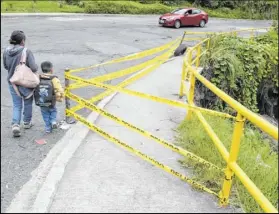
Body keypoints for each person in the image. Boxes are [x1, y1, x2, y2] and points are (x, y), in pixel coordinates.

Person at [3, 30, 38, 137]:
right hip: (25, 82)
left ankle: (15, 125)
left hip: (12, 81)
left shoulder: (6, 51)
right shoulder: (26, 51)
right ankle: (27, 122)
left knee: (17, 104)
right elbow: (34, 67)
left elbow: (5, 66)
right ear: (22, 41)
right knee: (27, 101)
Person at [34, 61, 64, 133]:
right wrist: (61, 97)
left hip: (41, 100)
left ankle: (48, 128)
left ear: (42, 69)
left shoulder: (38, 77)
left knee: (45, 113)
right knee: (53, 110)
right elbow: (59, 89)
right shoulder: (54, 79)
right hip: (51, 100)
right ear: (51, 70)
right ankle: (53, 121)